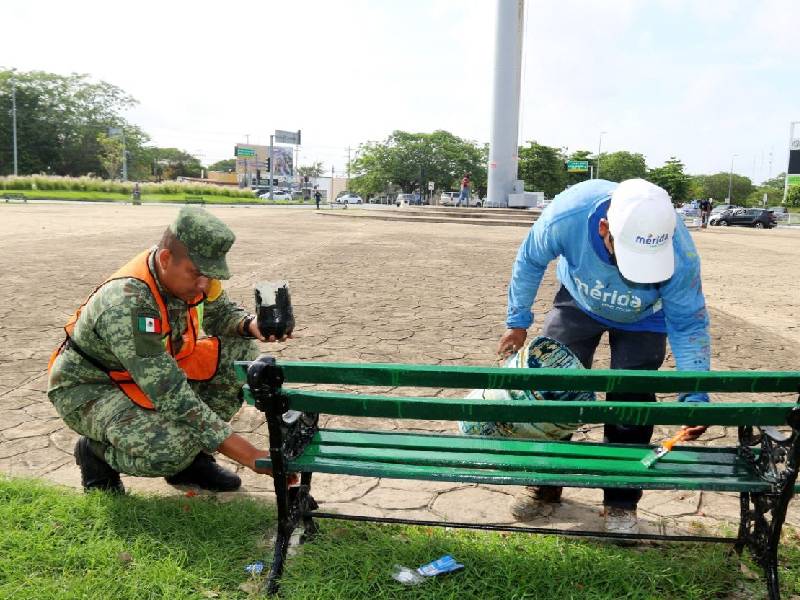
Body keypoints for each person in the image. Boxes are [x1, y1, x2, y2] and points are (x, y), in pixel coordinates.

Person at [496, 178, 710, 535]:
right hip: (578, 302)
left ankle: (621, 504)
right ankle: (545, 484)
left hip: (647, 317)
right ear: (604, 228)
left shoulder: (680, 252)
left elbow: (689, 324)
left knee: (631, 402)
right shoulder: (567, 215)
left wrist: (694, 393)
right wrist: (517, 322)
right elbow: (529, 260)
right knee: (552, 392)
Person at [48, 207, 289, 494]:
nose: (204, 285)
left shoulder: (192, 274)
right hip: (92, 388)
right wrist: (251, 456)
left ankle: (192, 463)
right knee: (169, 448)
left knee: (241, 353)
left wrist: (251, 325)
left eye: (210, 277)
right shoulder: (127, 304)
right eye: (197, 275)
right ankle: (95, 454)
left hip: (149, 374)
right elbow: (172, 395)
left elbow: (220, 312)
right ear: (165, 259)